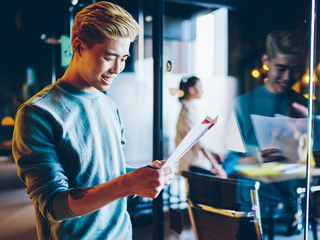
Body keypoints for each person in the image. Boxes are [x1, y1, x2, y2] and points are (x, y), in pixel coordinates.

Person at [12, 2, 175, 239]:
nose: (118, 68)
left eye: (124, 57)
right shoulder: (37, 113)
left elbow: (105, 173)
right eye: (109, 56)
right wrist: (128, 183)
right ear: (78, 46)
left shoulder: (110, 106)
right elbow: (54, 206)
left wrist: (143, 176)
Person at [225, 30, 320, 236]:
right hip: (254, 206)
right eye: (281, 68)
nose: (288, 77)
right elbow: (227, 162)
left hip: (296, 207)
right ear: (266, 61)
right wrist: (254, 159)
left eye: (296, 70)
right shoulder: (243, 104)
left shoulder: (310, 107)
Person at [175, 76, 227, 178]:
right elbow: (196, 140)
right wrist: (216, 166)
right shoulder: (186, 111)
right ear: (191, 90)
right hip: (191, 165)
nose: (202, 90)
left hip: (194, 163)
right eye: (200, 87)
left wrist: (213, 154)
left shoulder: (190, 108)